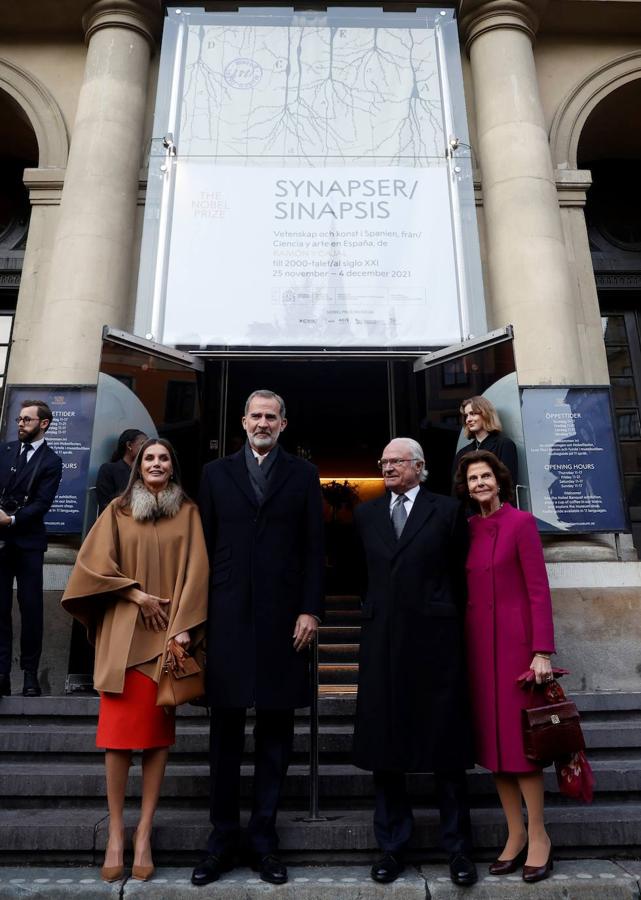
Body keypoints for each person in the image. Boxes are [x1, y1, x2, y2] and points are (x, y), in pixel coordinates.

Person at [192, 389, 324, 887]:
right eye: (256, 415)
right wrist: (195, 616)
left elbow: (315, 546)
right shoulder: (214, 474)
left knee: (275, 736)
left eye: (272, 416)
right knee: (224, 737)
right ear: (243, 423)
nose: (263, 422)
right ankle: (221, 841)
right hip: (225, 615)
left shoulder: (304, 474)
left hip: (284, 619)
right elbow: (200, 547)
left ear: (284, 424)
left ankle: (264, 840)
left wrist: (311, 608)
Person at [61, 438, 208, 883]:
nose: (157, 463)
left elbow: (198, 572)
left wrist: (184, 627)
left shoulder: (189, 512)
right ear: (136, 465)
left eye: (164, 457)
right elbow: (89, 567)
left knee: (156, 739)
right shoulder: (118, 510)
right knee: (118, 739)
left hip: (166, 639)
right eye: (149, 458)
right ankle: (116, 834)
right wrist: (135, 592)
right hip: (123, 635)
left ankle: (143, 833)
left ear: (173, 466)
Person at [353, 437, 477, 887]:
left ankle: (459, 849)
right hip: (383, 642)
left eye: (395, 461)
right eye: (383, 460)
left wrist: (445, 615)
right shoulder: (366, 514)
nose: (386, 467)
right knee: (387, 751)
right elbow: (358, 575)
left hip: (436, 643)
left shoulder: (446, 510)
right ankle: (391, 847)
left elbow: (461, 573)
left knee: (446, 750)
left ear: (419, 466)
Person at [454, 450, 555, 884]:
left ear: (500, 480)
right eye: (473, 478)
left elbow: (538, 590)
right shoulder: (467, 529)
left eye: (486, 476)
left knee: (521, 747)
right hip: (478, 649)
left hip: (517, 649)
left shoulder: (522, 523)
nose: (479, 483)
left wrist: (542, 650)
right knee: (495, 749)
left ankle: (540, 836)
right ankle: (514, 834)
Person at [0, 400, 62, 698]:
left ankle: (29, 675)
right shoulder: (5, 450)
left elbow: (41, 504)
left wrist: (11, 518)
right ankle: (1, 674)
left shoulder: (51, 461)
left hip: (28, 544)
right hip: (0, 543)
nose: (20, 423)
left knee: (32, 609)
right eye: (19, 419)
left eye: (26, 419)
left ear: (44, 423)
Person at [452, 396, 518, 489]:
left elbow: (507, 485)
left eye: (473, 413)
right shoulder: (461, 454)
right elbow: (456, 490)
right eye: (466, 416)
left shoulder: (504, 445)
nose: (468, 419)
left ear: (486, 414)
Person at [95, 429, 147, 512]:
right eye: (143, 443)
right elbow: (105, 505)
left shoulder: (146, 472)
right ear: (129, 445)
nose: (147, 448)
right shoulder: (109, 470)